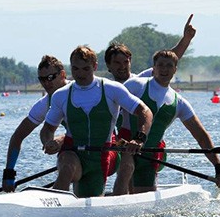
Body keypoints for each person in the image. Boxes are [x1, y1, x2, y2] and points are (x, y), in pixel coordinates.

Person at [40, 46, 153, 198]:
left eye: (85, 69)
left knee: (91, 207)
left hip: (102, 156)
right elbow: (47, 129)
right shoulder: (61, 95)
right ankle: (52, 208)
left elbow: (145, 111)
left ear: (94, 66)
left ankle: (119, 196)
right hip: (73, 153)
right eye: (75, 69)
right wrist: (48, 142)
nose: (80, 74)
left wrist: (139, 138)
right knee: (66, 165)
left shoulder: (112, 89)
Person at [113, 50, 220, 195]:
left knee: (145, 211)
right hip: (125, 147)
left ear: (175, 70)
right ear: (154, 68)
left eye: (169, 65)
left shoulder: (180, 103)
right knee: (126, 166)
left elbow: (201, 136)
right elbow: (110, 109)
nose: (164, 69)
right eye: (160, 65)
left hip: (150, 155)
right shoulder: (135, 85)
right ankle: (117, 203)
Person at [2, 55, 69, 192]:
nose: (46, 83)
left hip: (106, 145)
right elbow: (18, 136)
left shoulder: (78, 91)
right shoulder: (44, 104)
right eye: (42, 79)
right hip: (78, 150)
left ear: (62, 75)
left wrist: (62, 140)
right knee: (65, 158)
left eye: (50, 77)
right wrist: (9, 174)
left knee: (66, 158)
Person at [104, 14, 196, 83]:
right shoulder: (105, 88)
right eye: (117, 63)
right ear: (108, 65)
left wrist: (186, 39)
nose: (122, 66)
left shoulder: (141, 80)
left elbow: (170, 57)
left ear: (130, 61)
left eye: (125, 62)